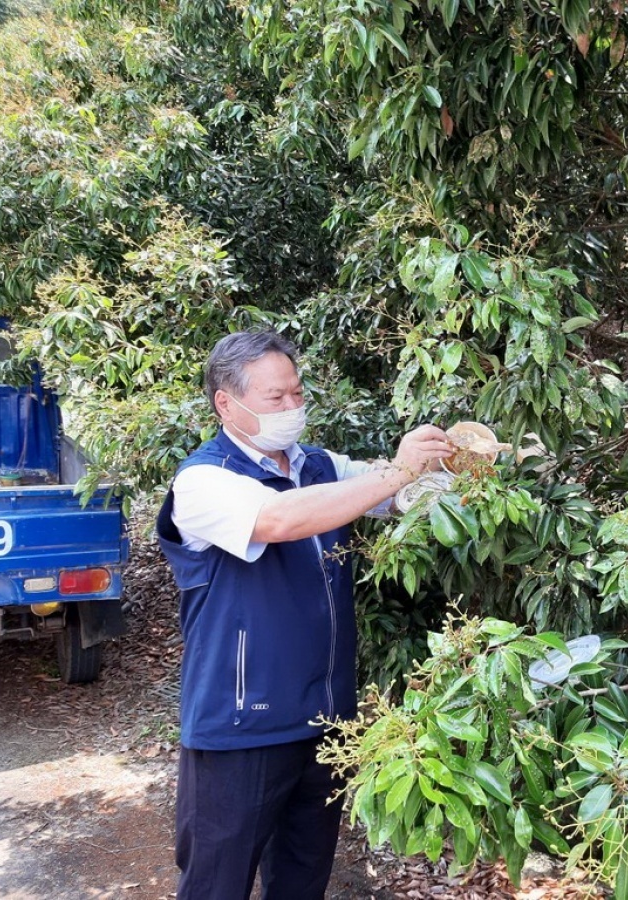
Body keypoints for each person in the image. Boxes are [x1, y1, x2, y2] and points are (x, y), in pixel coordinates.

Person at [155, 330, 454, 900]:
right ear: (227, 403)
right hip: (241, 727)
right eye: (276, 398)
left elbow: (395, 495)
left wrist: (460, 462)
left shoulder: (318, 465)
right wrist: (395, 473)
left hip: (325, 722)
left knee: (302, 876)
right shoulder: (202, 481)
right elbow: (276, 521)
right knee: (217, 883)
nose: (293, 407)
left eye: (297, 393)